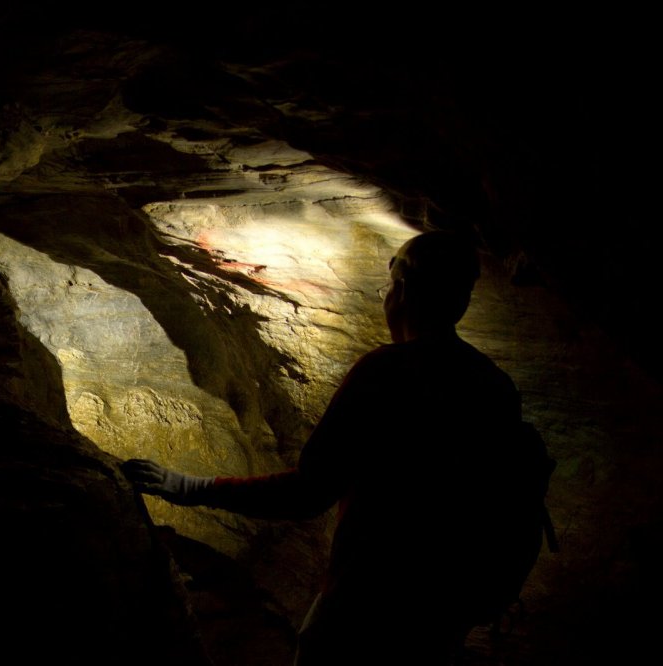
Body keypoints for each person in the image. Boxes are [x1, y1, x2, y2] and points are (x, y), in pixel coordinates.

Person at [123, 230, 524, 665]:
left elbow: (308, 492)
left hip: (369, 600)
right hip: (446, 605)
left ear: (402, 291)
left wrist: (190, 488)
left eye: (387, 287)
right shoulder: (493, 384)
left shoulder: (387, 371)